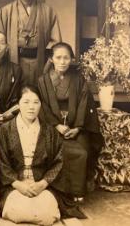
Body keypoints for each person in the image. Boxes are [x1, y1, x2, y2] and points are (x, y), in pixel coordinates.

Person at [38, 42, 100, 216]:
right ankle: (62, 190)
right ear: (51, 59)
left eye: (66, 57)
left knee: (83, 150)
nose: (63, 61)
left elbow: (83, 103)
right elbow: (42, 106)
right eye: (58, 57)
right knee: (56, 150)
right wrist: (56, 125)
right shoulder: (42, 81)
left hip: (75, 126)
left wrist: (78, 127)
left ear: (72, 59)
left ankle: (77, 190)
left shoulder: (78, 80)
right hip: (52, 126)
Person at [0, 86, 62, 225]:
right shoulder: (5, 130)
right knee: (16, 212)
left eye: (36, 102)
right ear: (18, 104)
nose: (31, 107)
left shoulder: (50, 131)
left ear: (41, 105)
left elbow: (58, 162)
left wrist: (42, 184)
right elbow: (1, 163)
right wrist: (18, 184)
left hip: (41, 185)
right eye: (26, 102)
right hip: (14, 186)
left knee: (46, 214)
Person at [0, 0, 61, 87]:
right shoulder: (6, 11)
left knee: (38, 95)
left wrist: (49, 63)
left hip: (40, 61)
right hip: (14, 60)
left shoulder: (48, 11)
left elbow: (57, 43)